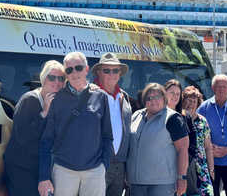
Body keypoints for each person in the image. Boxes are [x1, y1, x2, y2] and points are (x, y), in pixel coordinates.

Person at [38, 52, 113, 196]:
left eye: (78, 68)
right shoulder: (57, 99)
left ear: (86, 69)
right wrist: (44, 176)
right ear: (66, 73)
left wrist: (103, 165)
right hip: (64, 170)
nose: (74, 72)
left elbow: (107, 136)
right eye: (69, 69)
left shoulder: (100, 97)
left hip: (94, 170)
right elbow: (47, 140)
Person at [4, 60, 65, 196]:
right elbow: (21, 136)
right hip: (21, 166)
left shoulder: (59, 100)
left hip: (40, 166)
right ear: (44, 79)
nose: (57, 81)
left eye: (61, 78)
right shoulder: (30, 100)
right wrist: (44, 113)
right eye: (51, 77)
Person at [127, 82, 189, 196]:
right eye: (149, 98)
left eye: (157, 97)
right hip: (136, 181)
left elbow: (183, 150)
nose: (153, 100)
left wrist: (182, 178)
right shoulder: (136, 116)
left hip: (162, 183)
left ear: (164, 99)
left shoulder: (173, 119)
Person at [91, 52, 132, 196]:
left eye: (115, 70)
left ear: (120, 73)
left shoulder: (124, 96)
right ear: (98, 73)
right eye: (106, 70)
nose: (111, 74)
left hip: (120, 165)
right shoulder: (90, 95)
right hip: (98, 163)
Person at [164, 79, 199, 196]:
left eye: (178, 93)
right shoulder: (158, 113)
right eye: (172, 92)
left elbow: (194, 140)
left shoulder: (185, 115)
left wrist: (187, 159)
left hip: (184, 167)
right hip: (163, 168)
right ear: (164, 92)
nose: (175, 96)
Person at [182, 86, 215, 196]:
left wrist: (211, 170)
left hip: (201, 168)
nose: (191, 104)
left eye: (194, 101)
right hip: (183, 166)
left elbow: (208, 147)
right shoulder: (177, 118)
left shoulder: (202, 121)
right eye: (189, 100)